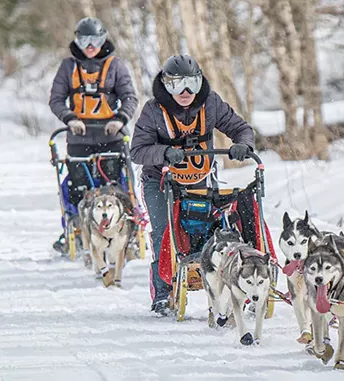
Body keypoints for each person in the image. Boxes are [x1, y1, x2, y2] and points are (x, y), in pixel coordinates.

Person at [130, 54, 255, 315]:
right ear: (166, 85)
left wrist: (243, 145)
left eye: (191, 84)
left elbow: (241, 128)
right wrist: (164, 152)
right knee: (165, 232)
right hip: (160, 180)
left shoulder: (211, 104)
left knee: (212, 229)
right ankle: (162, 291)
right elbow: (138, 151)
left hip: (201, 177)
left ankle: (223, 280)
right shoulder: (153, 111)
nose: (185, 92)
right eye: (177, 85)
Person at [48, 17, 138, 253]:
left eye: (95, 40)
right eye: (84, 40)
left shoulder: (116, 66)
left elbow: (130, 97)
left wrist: (120, 119)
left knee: (114, 186)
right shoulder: (68, 67)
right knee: (79, 188)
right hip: (79, 137)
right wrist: (70, 118)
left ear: (103, 39)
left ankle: (125, 227)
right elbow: (56, 99)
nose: (90, 46)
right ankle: (79, 228)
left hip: (111, 137)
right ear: (77, 41)